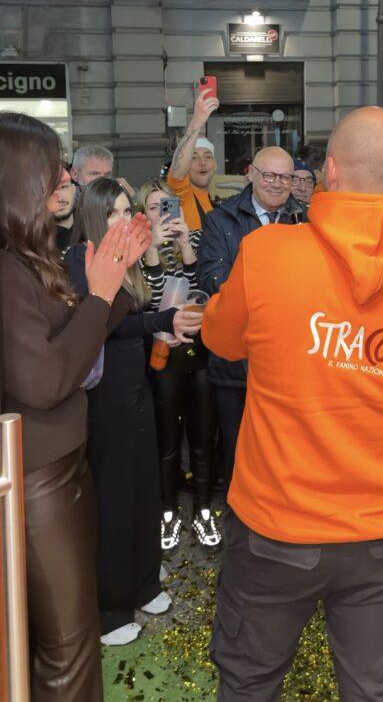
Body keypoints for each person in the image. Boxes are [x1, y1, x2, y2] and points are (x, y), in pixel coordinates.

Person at [202, 107, 383, 702]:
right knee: (376, 689)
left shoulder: (267, 253)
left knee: (248, 680)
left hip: (276, 524)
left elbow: (220, 339)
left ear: (328, 171)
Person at [0, 112, 151, 702]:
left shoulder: (29, 254)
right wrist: (101, 294)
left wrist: (112, 281)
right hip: (37, 477)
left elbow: (82, 339)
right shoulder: (8, 267)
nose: (66, 177)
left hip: (61, 466)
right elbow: (45, 381)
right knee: (68, 643)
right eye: (54, 167)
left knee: (67, 632)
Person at [67, 178, 201, 646]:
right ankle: (110, 607)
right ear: (94, 216)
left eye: (128, 211)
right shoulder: (82, 259)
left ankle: (144, 581)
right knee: (115, 500)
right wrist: (160, 320)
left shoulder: (125, 258)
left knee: (146, 489)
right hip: (104, 398)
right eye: (114, 213)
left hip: (136, 389)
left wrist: (164, 324)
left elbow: (141, 314)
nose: (124, 220)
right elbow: (107, 324)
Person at [197, 147, 306, 491]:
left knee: (285, 457)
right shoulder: (221, 219)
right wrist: (273, 294)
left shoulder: (305, 220)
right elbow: (211, 278)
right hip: (236, 362)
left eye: (285, 177)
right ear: (251, 174)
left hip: (291, 365)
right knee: (238, 455)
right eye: (269, 175)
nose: (277, 183)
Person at [136, 177, 220, 551]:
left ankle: (203, 510)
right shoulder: (138, 248)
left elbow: (200, 286)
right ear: (143, 214)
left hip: (198, 352)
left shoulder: (195, 239)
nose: (163, 214)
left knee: (202, 437)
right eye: (154, 207)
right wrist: (153, 249)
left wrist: (185, 244)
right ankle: (167, 511)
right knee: (167, 440)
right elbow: (154, 304)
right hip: (162, 356)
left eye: (167, 206)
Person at [167, 88, 219, 232]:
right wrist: (197, 121)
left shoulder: (215, 204)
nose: (202, 163)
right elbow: (178, 172)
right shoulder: (181, 195)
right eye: (194, 158)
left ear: (215, 165)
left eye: (208, 156)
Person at [49, 164, 77, 252]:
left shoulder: (91, 230)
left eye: (63, 187)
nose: (59, 198)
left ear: (74, 189)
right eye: (50, 190)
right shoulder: (33, 244)